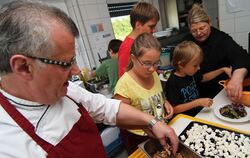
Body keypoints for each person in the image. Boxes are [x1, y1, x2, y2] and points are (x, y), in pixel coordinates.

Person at [0, 1, 179, 158]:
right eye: (66, 63)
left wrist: (152, 122)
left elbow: (106, 108)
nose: (77, 71)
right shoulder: (9, 145)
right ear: (23, 67)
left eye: (74, 60)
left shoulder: (68, 90)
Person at [114, 33, 174, 154]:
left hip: (160, 130)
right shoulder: (124, 85)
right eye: (147, 63)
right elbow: (119, 120)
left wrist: (165, 102)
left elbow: (155, 94)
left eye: (156, 63)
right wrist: (144, 125)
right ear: (133, 58)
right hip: (138, 139)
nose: (152, 69)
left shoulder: (153, 74)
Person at [184, 4, 250, 101]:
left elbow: (242, 56)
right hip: (194, 92)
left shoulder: (221, 39)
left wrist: (237, 78)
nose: (198, 33)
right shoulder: (187, 40)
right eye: (194, 30)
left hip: (219, 91)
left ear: (209, 23)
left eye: (202, 28)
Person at [165, 41, 232, 116]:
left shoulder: (190, 73)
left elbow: (204, 77)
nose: (199, 68)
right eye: (195, 65)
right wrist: (197, 102)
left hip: (199, 113)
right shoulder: (172, 82)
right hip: (185, 119)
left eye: (199, 64)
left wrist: (222, 69)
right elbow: (174, 109)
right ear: (181, 65)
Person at [118, 1, 160, 77]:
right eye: (151, 26)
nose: (154, 30)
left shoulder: (143, 41)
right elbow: (124, 79)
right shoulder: (127, 47)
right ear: (138, 25)